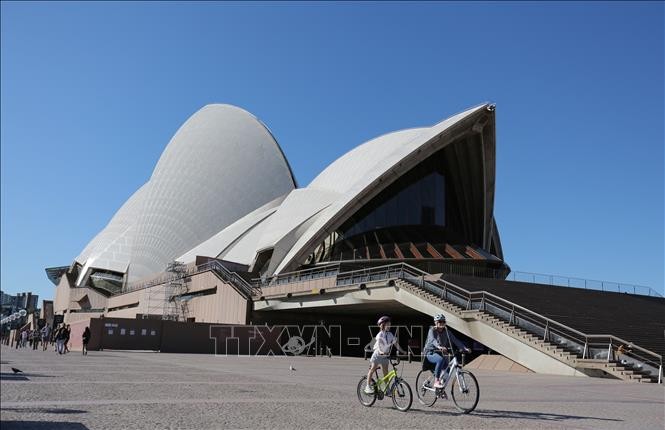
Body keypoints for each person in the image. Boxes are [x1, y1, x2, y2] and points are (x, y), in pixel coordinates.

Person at [424, 313, 470, 388]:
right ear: (435, 322)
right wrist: (439, 346)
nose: (442, 323)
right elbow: (433, 340)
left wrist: (464, 348)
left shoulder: (446, 331)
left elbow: (455, 340)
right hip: (430, 352)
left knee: (447, 371)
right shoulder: (432, 330)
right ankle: (436, 381)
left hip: (440, 352)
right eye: (439, 322)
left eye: (443, 321)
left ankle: (440, 388)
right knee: (440, 360)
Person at [364, 316, 406, 394]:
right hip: (377, 354)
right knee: (372, 369)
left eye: (390, 324)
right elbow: (379, 345)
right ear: (383, 325)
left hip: (385, 355)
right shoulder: (380, 334)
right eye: (387, 324)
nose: (389, 326)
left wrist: (402, 351)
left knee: (386, 373)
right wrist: (380, 351)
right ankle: (367, 387)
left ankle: (387, 389)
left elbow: (396, 344)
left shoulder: (390, 334)